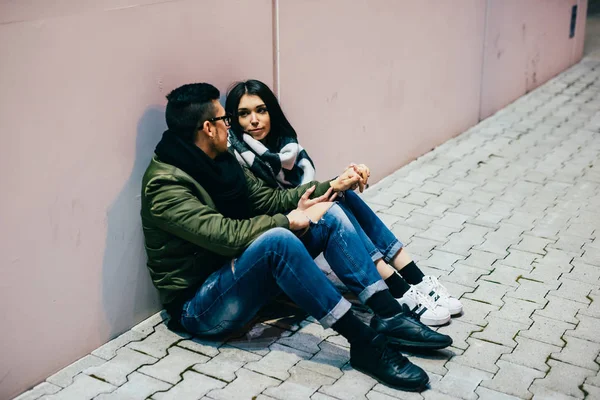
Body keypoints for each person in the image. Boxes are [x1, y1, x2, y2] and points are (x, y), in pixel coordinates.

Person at [141, 82, 453, 392]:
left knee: (328, 212)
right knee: (279, 240)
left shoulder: (221, 161)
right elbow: (225, 236)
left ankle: (388, 315)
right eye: (225, 119)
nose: (230, 126)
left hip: (236, 274)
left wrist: (331, 185)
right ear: (208, 128)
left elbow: (267, 201)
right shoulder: (165, 185)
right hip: (201, 307)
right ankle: (365, 344)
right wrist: (289, 221)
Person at [225, 79, 463, 326]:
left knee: (342, 195)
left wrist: (341, 182)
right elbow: (273, 201)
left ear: (271, 112)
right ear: (233, 119)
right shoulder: (236, 157)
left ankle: (417, 280)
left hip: (296, 222)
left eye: (261, 110)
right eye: (244, 114)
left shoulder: (284, 149)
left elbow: (300, 194)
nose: (254, 120)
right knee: (333, 205)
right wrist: (333, 184)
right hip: (275, 241)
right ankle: (399, 290)